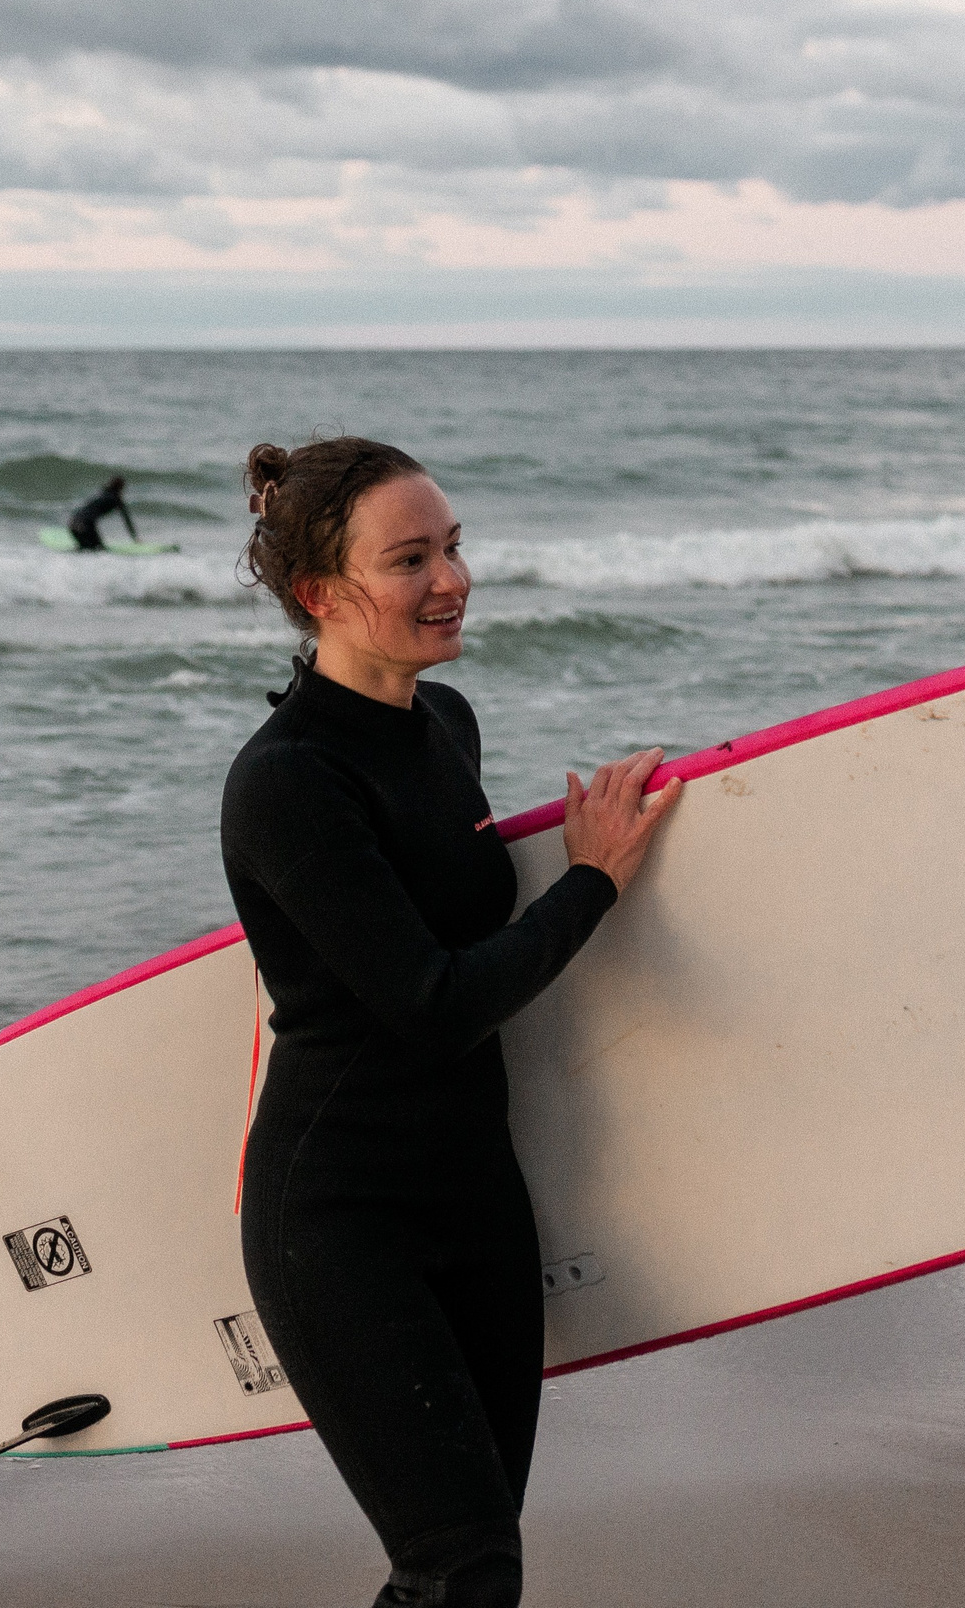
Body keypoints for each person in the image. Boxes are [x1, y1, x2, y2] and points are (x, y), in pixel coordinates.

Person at [221, 436, 680, 1608]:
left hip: (474, 1193)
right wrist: (593, 883)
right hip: (341, 1215)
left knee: (468, 1563)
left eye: (454, 546)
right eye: (410, 558)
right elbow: (430, 1001)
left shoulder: (447, 725)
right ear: (323, 594)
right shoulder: (287, 780)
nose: (452, 579)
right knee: (462, 1567)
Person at [65, 474, 138, 550]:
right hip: (84, 525)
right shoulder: (116, 499)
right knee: (98, 548)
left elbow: (84, 510)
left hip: (73, 522)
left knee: (86, 548)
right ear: (121, 488)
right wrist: (135, 537)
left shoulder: (102, 493)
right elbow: (127, 519)